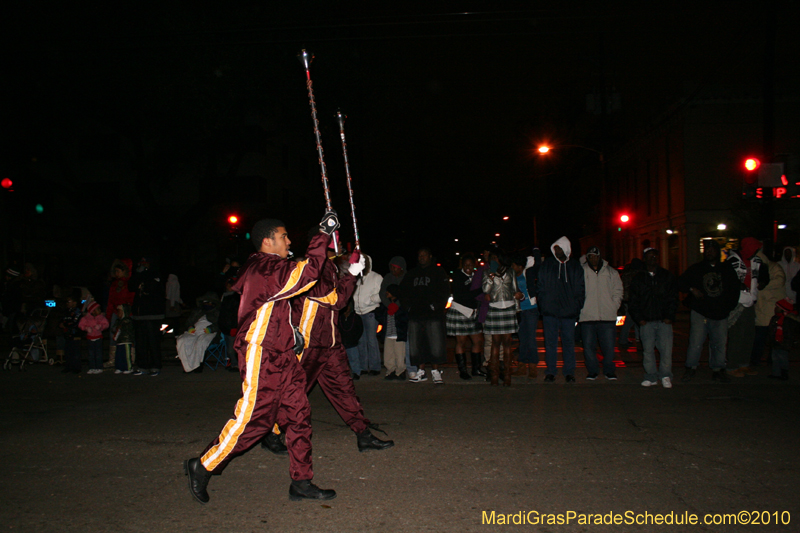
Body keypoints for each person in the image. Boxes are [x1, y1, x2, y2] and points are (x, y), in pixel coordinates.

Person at [184, 213, 340, 505]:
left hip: (282, 352)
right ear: (268, 242)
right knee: (253, 419)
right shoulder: (265, 267)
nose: (289, 241)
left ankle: (302, 481)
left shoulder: (270, 267)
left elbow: (285, 299)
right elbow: (306, 274)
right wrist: (321, 235)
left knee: (299, 414)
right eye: (284, 236)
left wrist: (292, 332)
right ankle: (203, 465)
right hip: (262, 353)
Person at [262, 239, 392, 455]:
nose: (341, 246)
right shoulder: (310, 268)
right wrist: (351, 273)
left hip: (330, 343)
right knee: (295, 393)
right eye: (336, 242)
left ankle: (363, 433)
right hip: (309, 344)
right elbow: (336, 299)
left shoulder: (329, 266)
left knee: (345, 391)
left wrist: (352, 269)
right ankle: (272, 432)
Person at [678, 239, 740, 382]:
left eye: (713, 250)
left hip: (720, 313)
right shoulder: (696, 268)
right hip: (700, 312)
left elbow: (734, 289)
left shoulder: (726, 269)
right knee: (696, 341)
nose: (710, 252)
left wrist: (728, 307)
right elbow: (681, 283)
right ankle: (691, 367)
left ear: (717, 252)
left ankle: (718, 369)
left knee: (719, 343)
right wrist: (692, 289)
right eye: (707, 250)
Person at [537, 236, 585, 383]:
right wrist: (543, 305)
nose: (556, 251)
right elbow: (540, 286)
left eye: (559, 248)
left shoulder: (575, 266)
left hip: (568, 313)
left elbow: (580, 290)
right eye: (555, 248)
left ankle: (569, 372)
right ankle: (551, 371)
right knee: (550, 343)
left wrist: (576, 307)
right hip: (550, 312)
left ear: (566, 249)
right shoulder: (547, 265)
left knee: (569, 343)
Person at [629, 248, 678, 388]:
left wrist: (669, 316)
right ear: (644, 258)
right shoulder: (639, 278)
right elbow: (633, 301)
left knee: (666, 350)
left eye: (654, 256)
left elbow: (673, 298)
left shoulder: (666, 276)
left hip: (664, 321)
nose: (652, 259)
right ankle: (651, 376)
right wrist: (639, 319)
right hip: (647, 321)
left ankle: (665, 375)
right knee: (648, 350)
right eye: (649, 256)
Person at [400, 247, 450, 384]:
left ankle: (435, 371)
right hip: (415, 314)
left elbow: (445, 291)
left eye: (424, 255)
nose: (422, 257)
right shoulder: (412, 273)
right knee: (416, 344)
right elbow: (403, 291)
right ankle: (421, 371)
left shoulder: (438, 272)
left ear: (430, 256)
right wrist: (408, 307)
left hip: (433, 314)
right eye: (420, 255)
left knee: (435, 343)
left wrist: (437, 306)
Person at [578, 246, 623, 381]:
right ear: (587, 257)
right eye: (590, 256)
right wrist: (581, 308)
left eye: (596, 256)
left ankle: (609, 370)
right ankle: (592, 371)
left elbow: (618, 291)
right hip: (587, 316)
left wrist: (613, 306)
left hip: (607, 316)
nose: (593, 259)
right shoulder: (582, 272)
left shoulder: (611, 272)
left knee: (609, 347)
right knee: (588, 347)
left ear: (600, 257)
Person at [726, 238, 768, 377]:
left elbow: (763, 275)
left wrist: (762, 282)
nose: (756, 251)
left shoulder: (756, 261)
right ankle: (732, 366)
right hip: (738, 302)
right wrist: (737, 284)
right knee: (737, 335)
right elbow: (726, 278)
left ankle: (743, 364)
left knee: (748, 335)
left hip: (750, 301)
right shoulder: (733, 260)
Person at [482, 250, 519, 386]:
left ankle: (508, 374)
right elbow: (485, 290)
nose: (494, 260)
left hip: (508, 308)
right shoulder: (487, 272)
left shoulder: (511, 271)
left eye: (496, 258)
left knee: (508, 343)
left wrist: (517, 307)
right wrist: (490, 278)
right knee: (495, 343)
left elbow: (516, 290)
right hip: (495, 308)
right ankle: (494, 375)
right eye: (492, 258)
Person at [446, 254, 484, 380]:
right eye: (466, 265)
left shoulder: (477, 276)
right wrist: (480, 290)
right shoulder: (458, 276)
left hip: (473, 312)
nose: (468, 267)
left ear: (474, 265)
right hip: (460, 311)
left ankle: (476, 369)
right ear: (462, 265)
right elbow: (463, 296)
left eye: (470, 265)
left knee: (477, 341)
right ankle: (463, 370)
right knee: (461, 342)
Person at [128, 258, 166, 376]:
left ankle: (155, 366)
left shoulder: (156, 275)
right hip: (139, 315)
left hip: (153, 314)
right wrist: (138, 275)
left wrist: (144, 278)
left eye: (145, 263)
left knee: (153, 341)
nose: (142, 265)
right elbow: (131, 286)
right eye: (141, 263)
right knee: (140, 342)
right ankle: (142, 365)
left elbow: (151, 288)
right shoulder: (138, 275)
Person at [750, 245, 785, 369]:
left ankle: (772, 362)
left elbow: (780, 280)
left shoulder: (774, 267)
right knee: (759, 339)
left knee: (772, 339)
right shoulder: (755, 269)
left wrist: (764, 285)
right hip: (761, 310)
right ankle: (755, 361)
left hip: (771, 310)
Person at [511, 254, 540, 379]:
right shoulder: (512, 277)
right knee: (522, 340)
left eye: (514, 265)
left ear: (520, 267)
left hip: (531, 310)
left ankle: (533, 367)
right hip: (519, 311)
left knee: (531, 340)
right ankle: (522, 367)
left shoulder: (527, 275)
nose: (512, 267)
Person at [175, 292, 220, 373]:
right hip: (194, 331)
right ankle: (187, 365)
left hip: (208, 332)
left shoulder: (217, 312)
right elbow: (188, 322)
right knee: (182, 340)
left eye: (209, 302)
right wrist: (189, 327)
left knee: (200, 342)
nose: (207, 304)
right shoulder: (197, 311)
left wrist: (211, 329)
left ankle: (198, 365)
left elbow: (220, 324)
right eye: (206, 302)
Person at [353, 255, 383, 376]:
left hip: (370, 312)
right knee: (361, 341)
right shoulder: (357, 278)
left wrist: (369, 301)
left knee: (371, 340)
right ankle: (363, 367)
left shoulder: (376, 277)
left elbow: (381, 294)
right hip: (357, 313)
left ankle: (375, 367)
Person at [105, 259, 134, 368]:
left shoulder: (129, 283)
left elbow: (131, 298)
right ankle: (113, 359)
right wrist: (108, 316)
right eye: (115, 271)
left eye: (118, 271)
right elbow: (110, 300)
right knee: (114, 334)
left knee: (128, 335)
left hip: (126, 313)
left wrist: (127, 311)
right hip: (115, 312)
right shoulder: (114, 284)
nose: (116, 274)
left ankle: (130, 358)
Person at [379, 284, 409, 380]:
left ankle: (400, 371)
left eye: (389, 291)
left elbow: (405, 319)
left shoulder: (401, 305)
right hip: (388, 333)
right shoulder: (386, 305)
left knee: (399, 355)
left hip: (398, 334)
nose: (386, 293)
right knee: (388, 355)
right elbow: (380, 317)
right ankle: (390, 370)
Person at [767, 299, 798, 380]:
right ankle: (776, 373)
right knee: (775, 358)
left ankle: (784, 373)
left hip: (783, 344)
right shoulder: (775, 318)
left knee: (782, 358)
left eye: (777, 307)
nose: (775, 308)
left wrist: (786, 343)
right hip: (775, 342)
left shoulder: (788, 321)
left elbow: (789, 334)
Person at [619, 258, 645, 348]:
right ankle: (637, 339)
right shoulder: (640, 275)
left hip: (627, 300)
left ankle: (632, 339)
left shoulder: (626, 275)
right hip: (635, 301)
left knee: (630, 321)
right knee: (634, 321)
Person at [78, 301, 109, 374]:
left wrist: (101, 326)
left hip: (98, 337)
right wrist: (86, 328)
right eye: (98, 309)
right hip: (90, 338)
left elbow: (106, 324)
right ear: (93, 311)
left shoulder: (101, 317)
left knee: (98, 353)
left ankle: (99, 367)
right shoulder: (86, 318)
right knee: (91, 354)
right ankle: (92, 367)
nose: (100, 311)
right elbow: (80, 325)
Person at [340, 299, 364, 379]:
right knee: (343, 360)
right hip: (343, 342)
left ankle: (356, 372)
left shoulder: (356, 317)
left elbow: (360, 329)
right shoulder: (340, 317)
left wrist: (355, 339)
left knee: (354, 358)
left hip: (352, 342)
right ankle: (344, 374)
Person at [59, 295, 83, 374]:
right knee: (68, 351)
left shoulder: (78, 312)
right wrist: (62, 324)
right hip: (67, 334)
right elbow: (62, 320)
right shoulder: (66, 311)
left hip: (75, 335)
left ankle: (76, 367)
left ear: (74, 302)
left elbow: (76, 322)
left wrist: (66, 325)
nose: (67, 303)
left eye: (69, 301)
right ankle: (68, 367)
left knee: (75, 351)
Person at [113, 304, 135, 374]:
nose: (118, 314)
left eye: (120, 312)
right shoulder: (118, 321)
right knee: (119, 355)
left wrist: (121, 327)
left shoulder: (128, 321)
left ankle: (128, 367)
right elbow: (113, 329)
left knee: (126, 355)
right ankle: (119, 367)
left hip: (126, 340)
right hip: (119, 340)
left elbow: (129, 330)